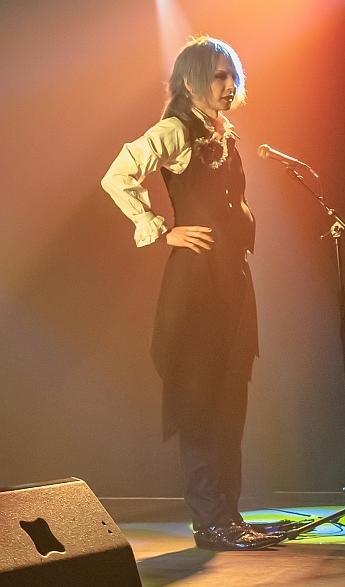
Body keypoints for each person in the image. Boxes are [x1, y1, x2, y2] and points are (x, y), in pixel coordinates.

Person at [102, 37, 259, 550]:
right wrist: (159, 228)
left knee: (231, 401)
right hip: (196, 284)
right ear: (191, 82)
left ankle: (229, 515)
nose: (229, 84)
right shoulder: (176, 131)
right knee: (201, 401)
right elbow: (118, 174)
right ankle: (210, 519)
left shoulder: (222, 134)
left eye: (232, 74)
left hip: (230, 279)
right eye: (218, 75)